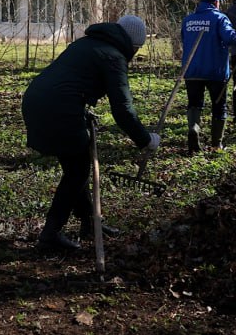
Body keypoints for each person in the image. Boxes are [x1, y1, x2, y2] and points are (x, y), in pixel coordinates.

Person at [22, 15, 158, 253]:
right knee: (78, 170)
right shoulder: (113, 57)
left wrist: (81, 110)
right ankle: (50, 235)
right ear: (132, 45)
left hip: (37, 101)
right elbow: (123, 109)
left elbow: (70, 81)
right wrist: (145, 139)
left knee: (76, 166)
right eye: (137, 49)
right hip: (57, 108)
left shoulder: (87, 43)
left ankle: (89, 223)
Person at [181, 0, 236, 152]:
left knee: (194, 104)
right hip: (215, 71)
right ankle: (216, 144)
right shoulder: (219, 18)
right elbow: (231, 38)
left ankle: (194, 128)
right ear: (216, 3)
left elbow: (184, 40)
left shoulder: (187, 20)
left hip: (191, 70)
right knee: (219, 106)